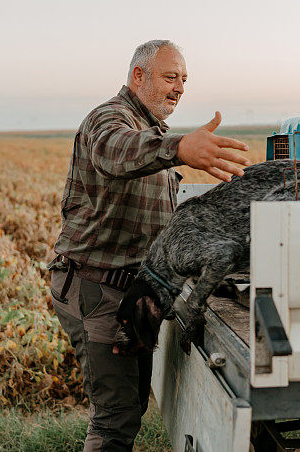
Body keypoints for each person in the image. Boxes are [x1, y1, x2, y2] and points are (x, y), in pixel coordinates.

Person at [48, 40, 250, 451]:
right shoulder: (110, 119)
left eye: (184, 80)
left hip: (128, 291)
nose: (179, 88)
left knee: (132, 404)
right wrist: (178, 148)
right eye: (170, 77)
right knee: (114, 419)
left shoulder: (150, 131)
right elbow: (114, 151)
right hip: (97, 290)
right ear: (139, 76)